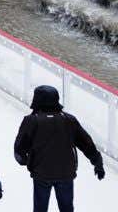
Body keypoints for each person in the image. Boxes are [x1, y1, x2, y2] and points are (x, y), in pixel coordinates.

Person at [13, 84, 105, 212]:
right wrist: (97, 162)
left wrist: (28, 162)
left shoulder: (32, 120)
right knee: (67, 208)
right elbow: (86, 143)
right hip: (65, 173)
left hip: (42, 173)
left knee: (40, 208)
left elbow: (19, 148)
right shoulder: (69, 120)